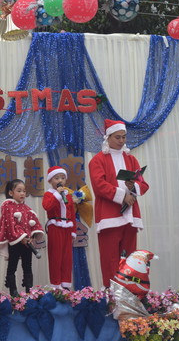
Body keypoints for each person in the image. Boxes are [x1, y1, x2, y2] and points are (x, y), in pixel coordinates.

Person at [88, 119, 149, 289]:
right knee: (110, 259)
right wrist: (123, 196)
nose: (121, 140)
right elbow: (99, 186)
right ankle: (111, 295)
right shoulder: (98, 160)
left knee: (130, 260)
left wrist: (133, 186)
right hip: (109, 217)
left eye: (124, 137)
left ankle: (130, 294)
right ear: (107, 137)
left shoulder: (131, 159)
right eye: (117, 137)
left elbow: (143, 185)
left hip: (130, 216)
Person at [0, 179, 44, 296]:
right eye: (19, 191)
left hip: (27, 243)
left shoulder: (26, 208)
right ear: (11, 193)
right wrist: (21, 237)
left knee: (27, 266)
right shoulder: (7, 206)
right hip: (15, 242)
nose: (22, 194)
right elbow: (10, 225)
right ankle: (13, 291)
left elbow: (34, 222)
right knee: (12, 266)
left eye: (24, 191)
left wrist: (32, 236)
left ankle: (29, 290)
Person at [42, 166, 77, 289]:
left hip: (67, 228)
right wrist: (57, 195)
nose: (60, 180)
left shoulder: (68, 196)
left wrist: (73, 232)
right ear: (50, 180)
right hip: (55, 227)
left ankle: (65, 284)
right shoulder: (49, 194)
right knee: (55, 256)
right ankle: (56, 285)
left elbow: (72, 215)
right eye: (56, 178)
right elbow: (47, 206)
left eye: (62, 178)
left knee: (67, 257)